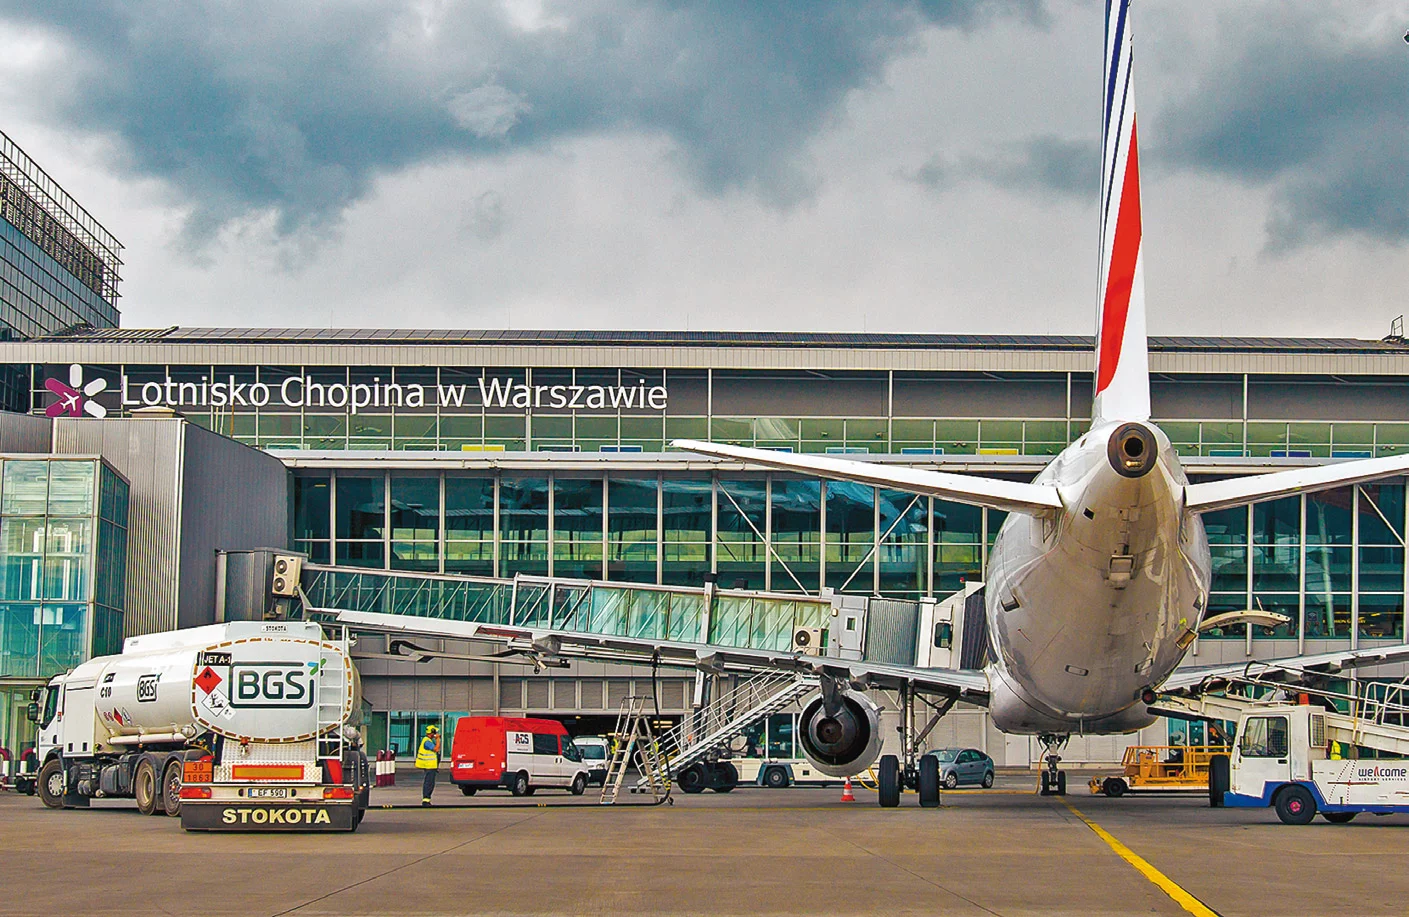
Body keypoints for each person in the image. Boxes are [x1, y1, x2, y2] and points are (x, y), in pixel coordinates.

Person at [416, 724, 441, 806]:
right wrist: (438, 739)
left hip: (431, 766)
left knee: (430, 783)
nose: (437, 734)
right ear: (432, 733)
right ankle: (426, 800)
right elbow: (436, 749)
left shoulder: (428, 741)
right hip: (429, 765)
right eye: (435, 733)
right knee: (429, 783)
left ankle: (427, 799)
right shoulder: (427, 742)